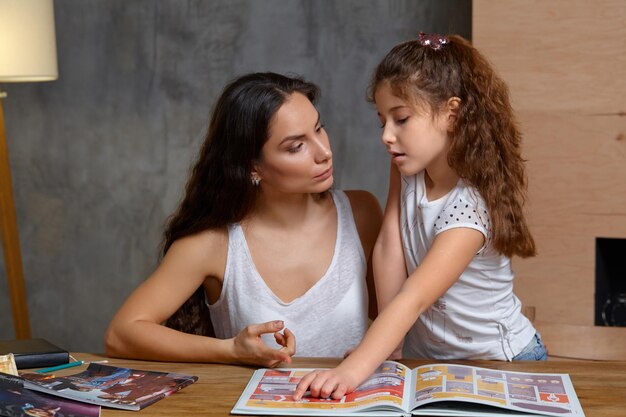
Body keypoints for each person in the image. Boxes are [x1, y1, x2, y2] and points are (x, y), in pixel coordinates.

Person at [294, 33, 545, 400]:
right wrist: (390, 345)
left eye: (401, 119)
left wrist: (351, 370)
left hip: (500, 362)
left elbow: (416, 296)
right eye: (382, 121)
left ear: (452, 115)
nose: (386, 136)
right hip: (431, 362)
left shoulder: (470, 206)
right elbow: (389, 246)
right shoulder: (408, 168)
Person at [105, 72, 382, 367]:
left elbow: (393, 316)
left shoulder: (361, 212)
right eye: (295, 146)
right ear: (253, 167)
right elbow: (121, 334)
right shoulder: (214, 243)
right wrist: (231, 350)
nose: (324, 152)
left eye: (319, 129)